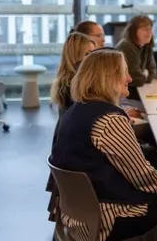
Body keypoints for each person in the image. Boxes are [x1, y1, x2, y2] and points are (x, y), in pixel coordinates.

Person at [50, 49, 157, 241]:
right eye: (124, 72)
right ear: (108, 78)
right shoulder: (109, 120)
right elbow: (142, 178)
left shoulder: (75, 111)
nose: (129, 78)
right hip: (109, 217)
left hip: (78, 216)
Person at [47, 32, 96, 221]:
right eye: (87, 54)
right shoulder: (74, 85)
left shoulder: (68, 80)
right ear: (75, 56)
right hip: (78, 156)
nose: (91, 59)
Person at [116, 15, 156, 101]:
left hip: (137, 92)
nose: (149, 33)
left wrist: (144, 75)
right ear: (133, 31)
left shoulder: (146, 46)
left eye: (150, 29)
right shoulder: (126, 46)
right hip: (125, 96)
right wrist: (145, 73)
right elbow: (136, 79)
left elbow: (152, 71)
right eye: (144, 29)